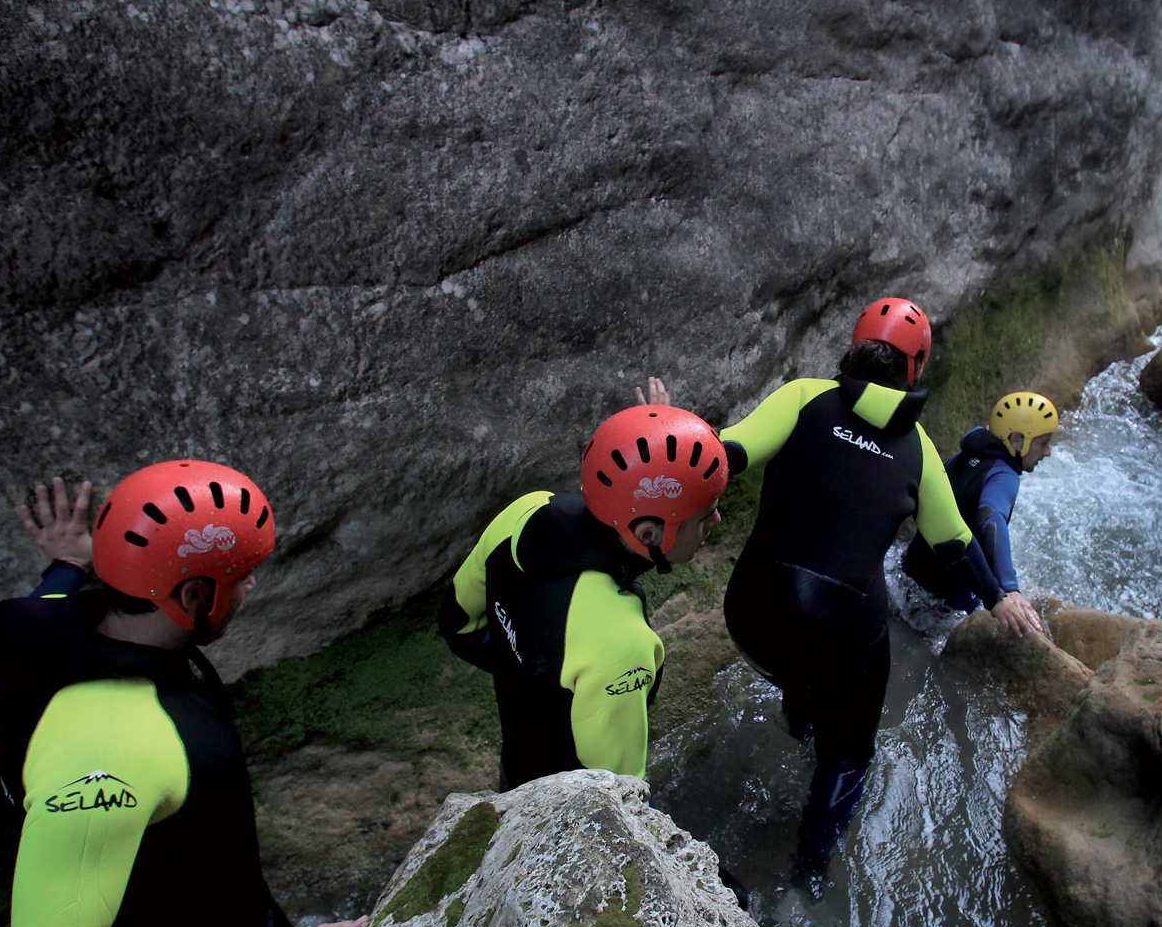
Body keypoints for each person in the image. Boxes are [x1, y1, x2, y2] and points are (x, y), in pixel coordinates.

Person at [0, 461, 360, 927]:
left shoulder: (24, 629)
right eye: (238, 577)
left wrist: (65, 564)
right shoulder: (117, 746)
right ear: (193, 595)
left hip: (209, 913)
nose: (252, 585)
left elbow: (6, 651)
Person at [716, 297, 1043, 896]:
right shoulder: (917, 447)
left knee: (800, 657)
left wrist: (665, 431)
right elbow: (955, 544)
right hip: (842, 633)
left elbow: (723, 454)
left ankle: (797, 721)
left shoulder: (802, 397)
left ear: (854, 346)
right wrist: (1000, 598)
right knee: (849, 756)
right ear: (914, 371)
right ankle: (807, 878)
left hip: (752, 614)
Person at [441, 401, 729, 790]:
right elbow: (620, 791)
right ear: (648, 534)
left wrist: (529, 670)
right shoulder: (623, 645)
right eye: (704, 514)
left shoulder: (525, 513)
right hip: (561, 808)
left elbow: (457, 623)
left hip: (516, 767)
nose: (717, 520)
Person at [900, 390, 1059, 619]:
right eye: (1043, 443)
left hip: (910, 571)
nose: (1048, 452)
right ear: (1017, 440)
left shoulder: (969, 453)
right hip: (948, 601)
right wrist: (1010, 588)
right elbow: (991, 522)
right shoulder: (1004, 476)